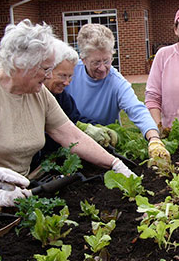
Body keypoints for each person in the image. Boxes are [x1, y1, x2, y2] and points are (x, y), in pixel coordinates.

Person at [0, 19, 134, 207]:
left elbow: (71, 136)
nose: (49, 76)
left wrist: (114, 163)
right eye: (45, 69)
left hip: (23, 190)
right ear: (21, 65)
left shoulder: (39, 94)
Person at [64, 23, 170, 163]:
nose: (102, 68)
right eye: (96, 63)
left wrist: (154, 138)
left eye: (106, 61)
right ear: (83, 59)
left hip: (106, 146)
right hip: (69, 144)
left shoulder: (116, 81)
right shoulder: (69, 74)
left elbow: (136, 109)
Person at [32, 39, 117, 169]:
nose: (67, 83)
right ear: (48, 71)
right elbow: (58, 133)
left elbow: (74, 119)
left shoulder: (61, 96)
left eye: (70, 76)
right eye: (62, 76)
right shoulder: (31, 96)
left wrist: (96, 128)